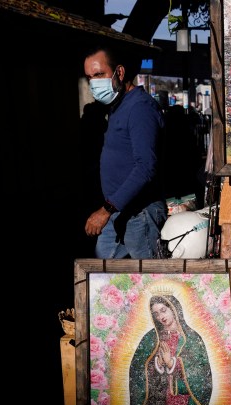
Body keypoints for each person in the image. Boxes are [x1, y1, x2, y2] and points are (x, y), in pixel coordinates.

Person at [83, 45, 167, 259]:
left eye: (100, 74)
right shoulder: (118, 106)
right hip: (118, 211)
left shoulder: (140, 108)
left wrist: (106, 210)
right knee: (103, 279)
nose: (94, 83)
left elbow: (146, 167)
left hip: (139, 214)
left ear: (119, 72)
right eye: (90, 77)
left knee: (148, 282)